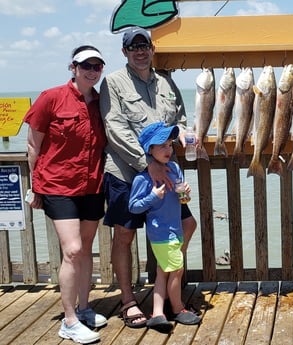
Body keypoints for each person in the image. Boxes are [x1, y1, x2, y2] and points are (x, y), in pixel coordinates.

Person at [99, 26, 197, 328]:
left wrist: (184, 135)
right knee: (125, 235)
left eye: (145, 46)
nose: (140, 51)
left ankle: (166, 285)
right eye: (133, 47)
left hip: (165, 175)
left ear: (152, 49)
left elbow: (179, 119)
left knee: (186, 223)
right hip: (126, 172)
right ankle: (128, 301)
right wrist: (146, 162)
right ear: (125, 52)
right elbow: (114, 127)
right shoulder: (112, 83)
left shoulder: (166, 83)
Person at [24, 45, 108, 344]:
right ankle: (69, 320)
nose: (92, 70)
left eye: (97, 65)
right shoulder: (51, 97)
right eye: (86, 65)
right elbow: (33, 146)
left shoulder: (101, 101)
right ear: (73, 67)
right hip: (58, 184)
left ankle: (85, 309)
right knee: (72, 250)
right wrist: (34, 186)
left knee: (85, 248)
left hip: (92, 184)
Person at [129, 122, 201, 332]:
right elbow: (133, 207)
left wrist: (185, 194)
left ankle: (158, 313)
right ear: (149, 150)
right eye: (161, 146)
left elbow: (182, 200)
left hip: (175, 229)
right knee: (177, 270)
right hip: (161, 233)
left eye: (170, 144)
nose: (168, 149)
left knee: (163, 272)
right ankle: (178, 309)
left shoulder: (175, 168)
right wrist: (152, 197)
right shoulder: (143, 178)